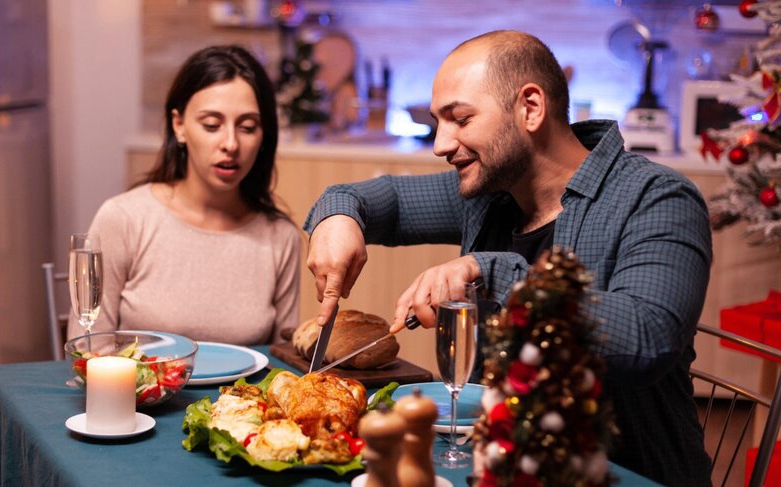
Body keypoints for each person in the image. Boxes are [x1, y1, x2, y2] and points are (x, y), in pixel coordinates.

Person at [304, 31, 712, 485]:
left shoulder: (658, 199)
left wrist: (488, 272)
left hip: (626, 473)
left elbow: (647, 338)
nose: (441, 144)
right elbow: (371, 199)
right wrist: (337, 217)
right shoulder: (493, 190)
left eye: (460, 119)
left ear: (531, 108)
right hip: (499, 467)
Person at [68, 45, 300, 345]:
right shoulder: (123, 219)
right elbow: (89, 350)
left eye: (247, 127)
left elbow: (284, 365)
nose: (230, 143)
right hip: (135, 393)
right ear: (179, 126)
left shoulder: (280, 236)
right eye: (212, 125)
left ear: (264, 135)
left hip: (243, 394)